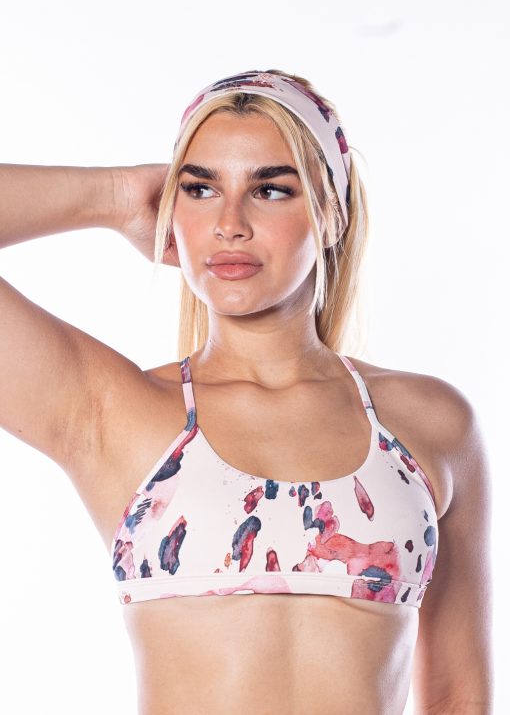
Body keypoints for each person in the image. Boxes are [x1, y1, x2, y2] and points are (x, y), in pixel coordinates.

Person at [0, 68, 493, 714]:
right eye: (200, 189)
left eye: (270, 189)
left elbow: (458, 695)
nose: (229, 223)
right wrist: (114, 195)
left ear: (333, 213)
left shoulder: (430, 423)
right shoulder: (112, 411)